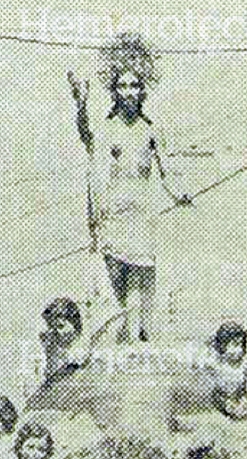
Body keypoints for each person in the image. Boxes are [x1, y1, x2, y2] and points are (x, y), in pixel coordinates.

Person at [68, 32, 191, 343]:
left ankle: (135, 341)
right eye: (122, 85)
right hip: (112, 215)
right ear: (114, 90)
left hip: (141, 216)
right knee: (114, 282)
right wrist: (81, 104)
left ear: (143, 89)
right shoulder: (107, 129)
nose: (128, 91)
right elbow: (88, 139)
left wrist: (180, 193)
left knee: (139, 279)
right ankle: (118, 341)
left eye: (134, 85)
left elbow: (167, 172)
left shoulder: (151, 130)